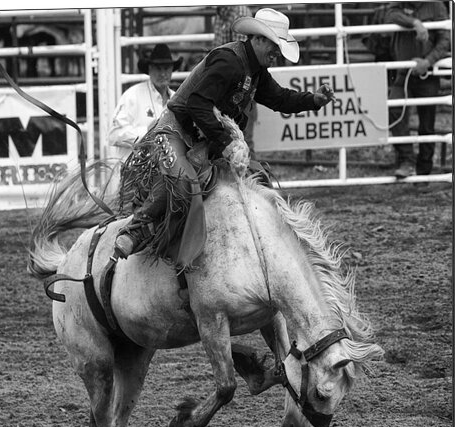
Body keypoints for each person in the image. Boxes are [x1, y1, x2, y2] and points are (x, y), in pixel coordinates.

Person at [112, 8, 335, 262]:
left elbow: (280, 98)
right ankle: (137, 228)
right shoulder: (229, 61)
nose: (276, 53)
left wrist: (313, 100)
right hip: (175, 131)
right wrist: (227, 143)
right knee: (183, 184)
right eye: (275, 46)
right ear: (258, 39)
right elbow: (197, 104)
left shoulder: (255, 70)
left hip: (204, 141)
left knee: (257, 179)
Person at [384, 2, 450, 178]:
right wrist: (415, 23)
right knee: (395, 110)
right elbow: (390, 14)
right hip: (402, 72)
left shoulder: (436, 6)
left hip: (426, 75)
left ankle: (424, 172)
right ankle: (407, 160)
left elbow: (445, 40)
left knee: (427, 124)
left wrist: (427, 62)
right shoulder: (399, 3)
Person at [108, 44, 183, 161]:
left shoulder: (176, 100)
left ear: (172, 70)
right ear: (149, 69)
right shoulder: (132, 96)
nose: (163, 74)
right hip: (133, 171)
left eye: (166, 68)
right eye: (158, 68)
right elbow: (114, 134)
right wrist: (146, 133)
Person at [212, 6, 257, 156]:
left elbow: (243, 61)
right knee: (227, 141)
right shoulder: (221, 13)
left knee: (242, 141)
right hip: (223, 89)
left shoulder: (239, 13)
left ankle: (249, 176)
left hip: (238, 90)